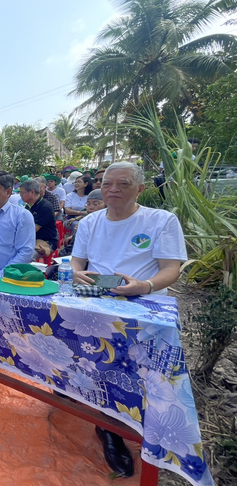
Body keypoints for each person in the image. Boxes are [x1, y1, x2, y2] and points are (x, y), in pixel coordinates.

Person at [70, 162, 188, 478]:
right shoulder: (90, 222)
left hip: (140, 304)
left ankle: (133, 425)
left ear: (140, 189)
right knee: (85, 354)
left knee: (136, 371)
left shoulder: (160, 221)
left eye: (123, 184)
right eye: (107, 183)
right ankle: (106, 423)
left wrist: (144, 285)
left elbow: (171, 268)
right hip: (94, 299)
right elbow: (77, 260)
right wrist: (76, 272)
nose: (113, 190)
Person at [19, 179, 59, 260]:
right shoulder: (28, 206)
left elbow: (32, 229)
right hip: (31, 239)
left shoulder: (45, 207)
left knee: (26, 257)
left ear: (32, 192)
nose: (20, 195)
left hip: (45, 241)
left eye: (22, 193)